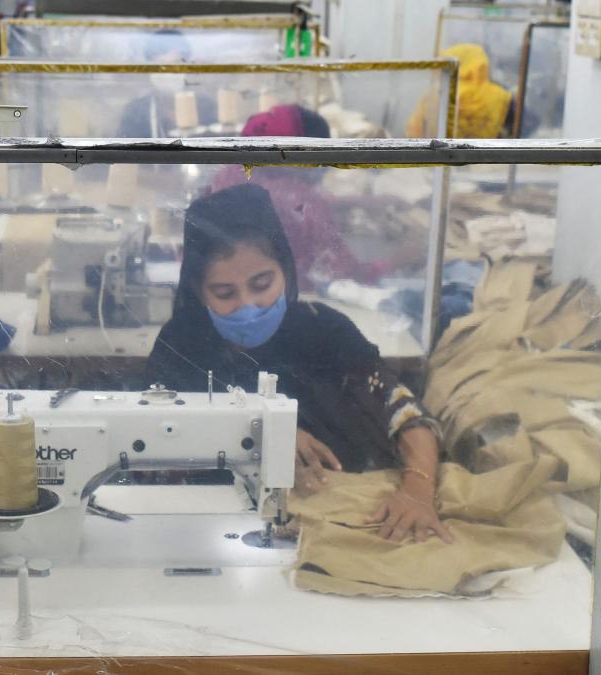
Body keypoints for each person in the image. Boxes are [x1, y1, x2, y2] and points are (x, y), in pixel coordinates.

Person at [147, 183, 452, 543]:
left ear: (286, 271)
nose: (249, 305)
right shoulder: (182, 344)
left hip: (328, 509)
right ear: (199, 291)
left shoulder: (324, 330)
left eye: (262, 283)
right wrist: (258, 434)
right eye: (225, 293)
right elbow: (153, 437)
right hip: (207, 523)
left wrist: (417, 489)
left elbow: (405, 414)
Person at [208, 104, 388, 290]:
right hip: (280, 301)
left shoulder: (229, 174)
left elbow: (281, 201)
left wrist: (356, 201)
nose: (322, 165)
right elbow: (347, 274)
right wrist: (401, 259)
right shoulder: (303, 200)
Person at [407, 43, 515, 139]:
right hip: (485, 156)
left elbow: (415, 132)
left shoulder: (432, 96)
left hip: (437, 155)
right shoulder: (498, 96)